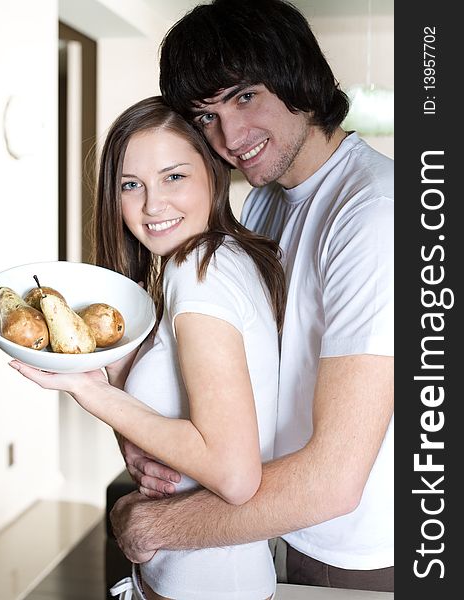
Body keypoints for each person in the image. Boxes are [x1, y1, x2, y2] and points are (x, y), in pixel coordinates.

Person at [110, 0, 395, 593]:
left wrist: (157, 525)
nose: (231, 137)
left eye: (244, 96)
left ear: (298, 75)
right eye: (206, 116)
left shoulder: (374, 214)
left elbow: (336, 480)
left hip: (365, 551)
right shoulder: (267, 199)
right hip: (283, 528)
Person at [9, 96, 286, 600]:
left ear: (212, 173)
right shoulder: (201, 265)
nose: (152, 205)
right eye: (130, 185)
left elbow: (234, 474)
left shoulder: (201, 272)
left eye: (174, 177)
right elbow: (162, 417)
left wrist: (88, 392)